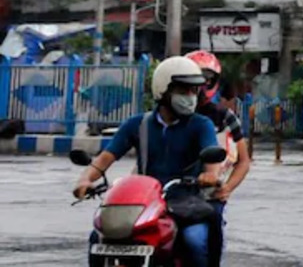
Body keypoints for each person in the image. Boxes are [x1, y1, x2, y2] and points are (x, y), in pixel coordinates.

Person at [73, 56, 221, 267]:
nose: (190, 97)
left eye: (194, 91)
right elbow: (105, 158)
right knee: (98, 237)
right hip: (145, 203)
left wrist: (210, 175)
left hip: (185, 203)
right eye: (183, 90)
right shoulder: (137, 124)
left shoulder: (201, 125)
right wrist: (84, 180)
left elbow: (211, 159)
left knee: (194, 241)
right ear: (163, 90)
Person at [186, 50, 253, 266]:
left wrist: (227, 188)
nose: (200, 86)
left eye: (206, 79)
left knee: (199, 242)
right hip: (168, 188)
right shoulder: (165, 114)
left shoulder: (223, 117)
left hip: (207, 193)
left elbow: (243, 160)